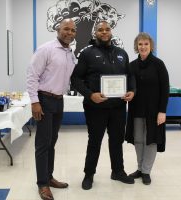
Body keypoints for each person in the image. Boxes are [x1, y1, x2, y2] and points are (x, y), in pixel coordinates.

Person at [71, 20, 136, 190]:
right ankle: (89, 174)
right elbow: (76, 79)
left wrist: (132, 91)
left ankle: (118, 171)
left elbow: (130, 76)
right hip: (95, 108)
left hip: (119, 107)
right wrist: (90, 95)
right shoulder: (87, 53)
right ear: (95, 33)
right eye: (100, 30)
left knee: (116, 141)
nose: (104, 32)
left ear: (111, 32)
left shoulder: (122, 53)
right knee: (95, 141)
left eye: (107, 29)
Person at [26, 19, 76, 200]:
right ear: (58, 29)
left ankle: (49, 176)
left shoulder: (70, 53)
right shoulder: (46, 49)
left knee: (52, 142)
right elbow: (32, 76)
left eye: (72, 30)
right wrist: (34, 102)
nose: (69, 32)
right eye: (66, 29)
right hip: (44, 100)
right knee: (42, 143)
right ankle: (42, 184)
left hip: (59, 101)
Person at [125, 32, 169, 185]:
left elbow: (165, 89)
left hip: (154, 111)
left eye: (146, 44)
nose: (143, 47)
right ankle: (139, 167)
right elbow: (128, 86)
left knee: (150, 140)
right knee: (138, 139)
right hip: (136, 109)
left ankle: (146, 171)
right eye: (140, 44)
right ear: (136, 46)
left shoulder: (158, 64)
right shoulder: (131, 66)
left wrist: (162, 111)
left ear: (151, 46)